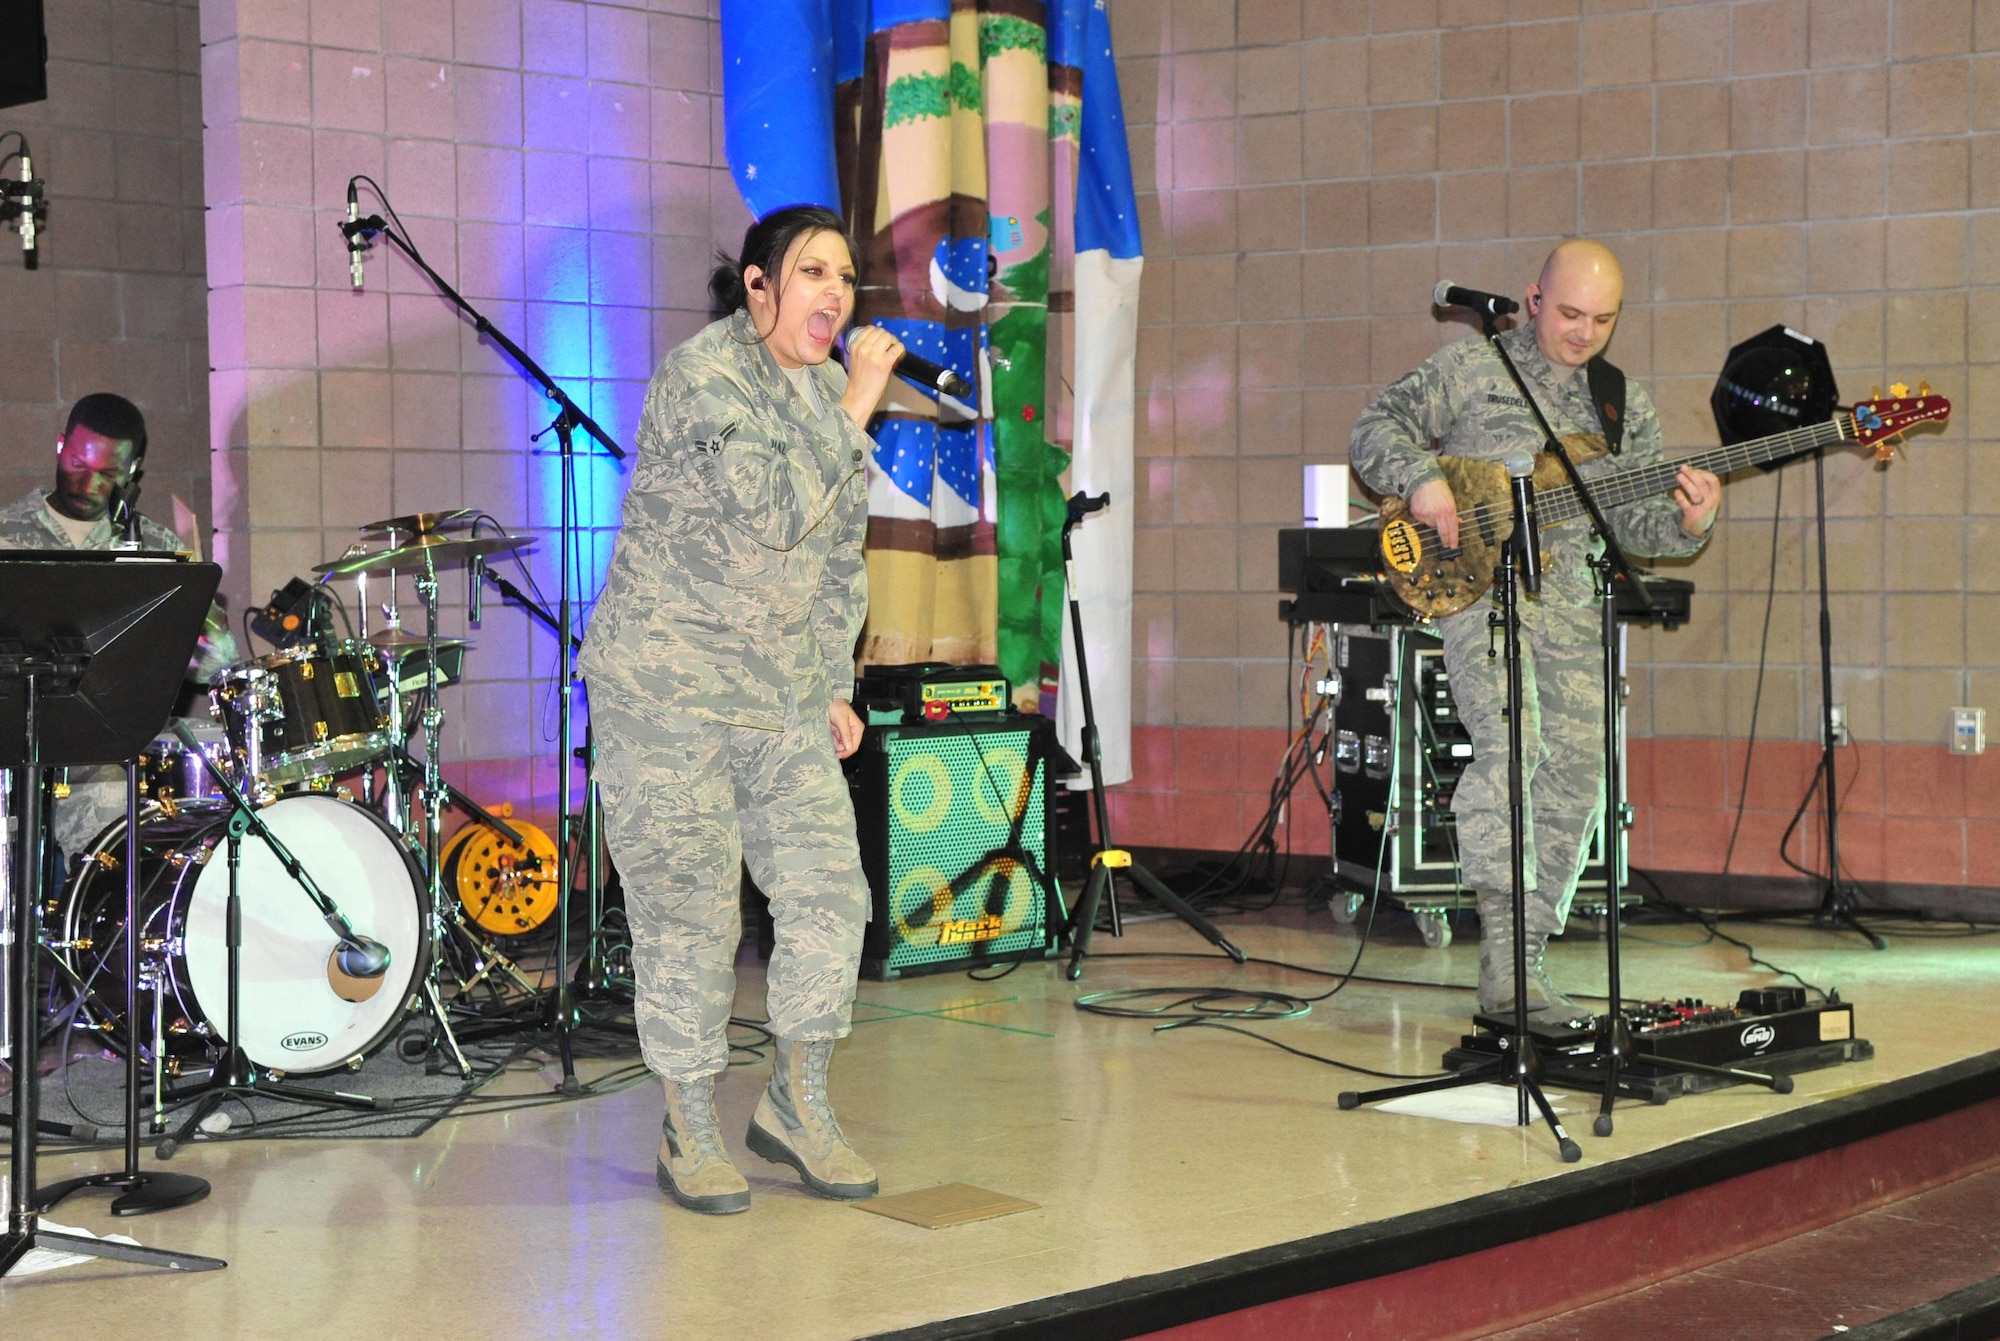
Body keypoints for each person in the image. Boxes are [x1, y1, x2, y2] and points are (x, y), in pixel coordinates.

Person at [579, 205, 904, 1215]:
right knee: (690, 917)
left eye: (844, 278)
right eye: (812, 274)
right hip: (664, 694)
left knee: (826, 896)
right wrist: (852, 408)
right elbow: (768, 511)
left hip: (776, 699)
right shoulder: (701, 377)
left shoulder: (821, 398)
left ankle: (797, 1107)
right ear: (758, 287)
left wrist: (833, 687)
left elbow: (832, 561)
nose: (834, 297)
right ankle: (688, 1129)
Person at [1350, 240, 1722, 1018]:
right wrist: (1420, 478)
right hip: (1484, 595)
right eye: (1570, 313)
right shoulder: (1472, 367)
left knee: (1578, 776)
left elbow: (1636, 520)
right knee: (1513, 749)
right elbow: (1376, 425)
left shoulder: (1623, 401)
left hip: (1572, 606)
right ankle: (1506, 969)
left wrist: (1691, 522)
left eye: (1603, 319)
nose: (1584, 333)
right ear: (1533, 298)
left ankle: (1531, 957)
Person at [0, 392, 238, 857]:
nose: (87, 484)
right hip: (14, 739)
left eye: (107, 475)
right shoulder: (7, 534)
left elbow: (216, 668)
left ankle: (107, 921)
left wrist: (208, 643)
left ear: (133, 473)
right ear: (59, 446)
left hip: (109, 746)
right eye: (76, 463)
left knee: (117, 800)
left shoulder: (159, 547)